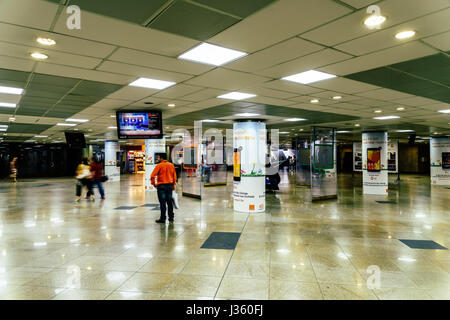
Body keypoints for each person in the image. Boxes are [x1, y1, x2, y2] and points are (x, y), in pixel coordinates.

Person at [151, 153, 177, 223]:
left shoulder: (159, 165)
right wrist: (173, 184)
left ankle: (163, 218)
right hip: (169, 186)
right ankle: (171, 217)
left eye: (159, 157)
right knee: (169, 202)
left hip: (161, 186)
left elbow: (152, 176)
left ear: (161, 158)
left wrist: (154, 184)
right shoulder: (171, 165)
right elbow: (174, 176)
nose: (158, 158)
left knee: (162, 203)